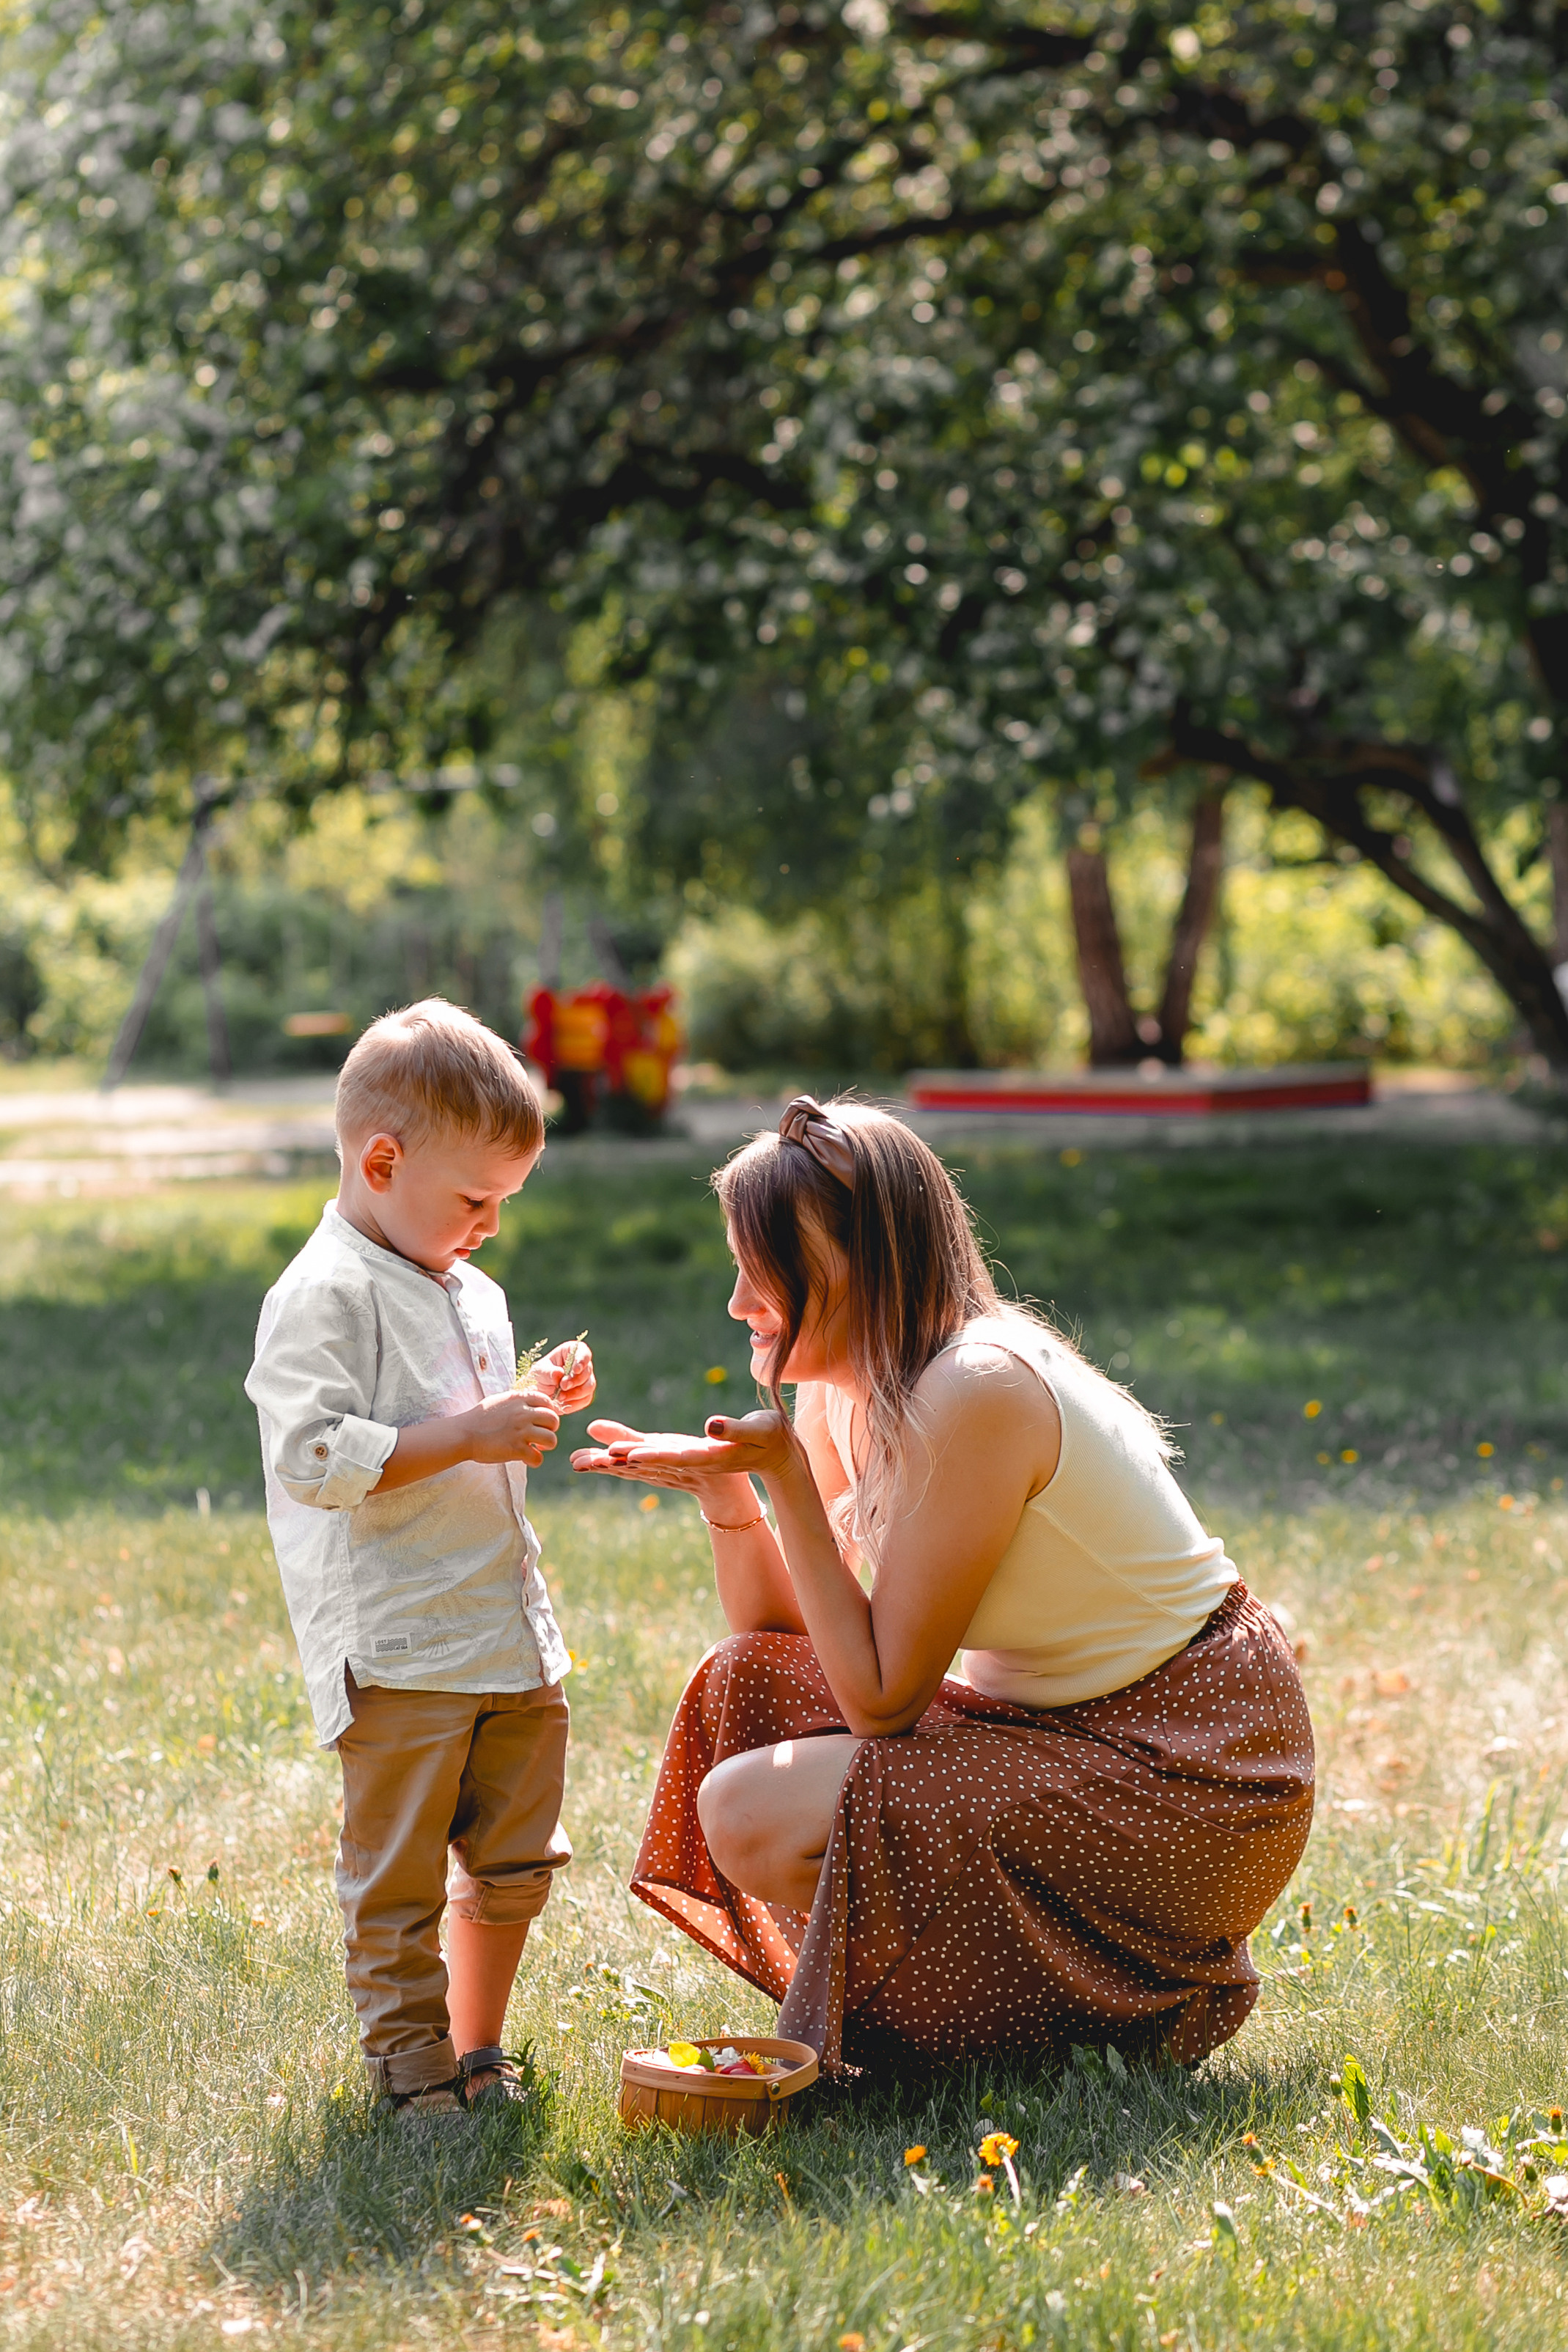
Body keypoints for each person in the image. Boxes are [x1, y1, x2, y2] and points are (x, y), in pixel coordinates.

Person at [574, 1096, 1314, 2076]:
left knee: (751, 1811)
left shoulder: (977, 1388)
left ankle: (1102, 2023)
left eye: (764, 1274)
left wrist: (786, 1475)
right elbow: (787, 1641)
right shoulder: (845, 1382)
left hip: (1190, 1766)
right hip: (1060, 1733)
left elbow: (880, 1703)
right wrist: (731, 1490)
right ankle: (979, 2030)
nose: (739, 1304)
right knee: (740, 1686)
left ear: (859, 1268)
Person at [245, 999, 595, 2125]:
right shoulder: (323, 1296)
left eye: (508, 1202)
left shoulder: (466, 1283)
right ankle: (410, 2069)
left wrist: (536, 1396)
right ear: (382, 1159)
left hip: (503, 1625)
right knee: (396, 1877)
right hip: (400, 1647)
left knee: (518, 1856)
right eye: (476, 1199)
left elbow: (466, 1419)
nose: (492, 1224)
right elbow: (312, 1455)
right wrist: (474, 1432)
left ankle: (478, 2045)